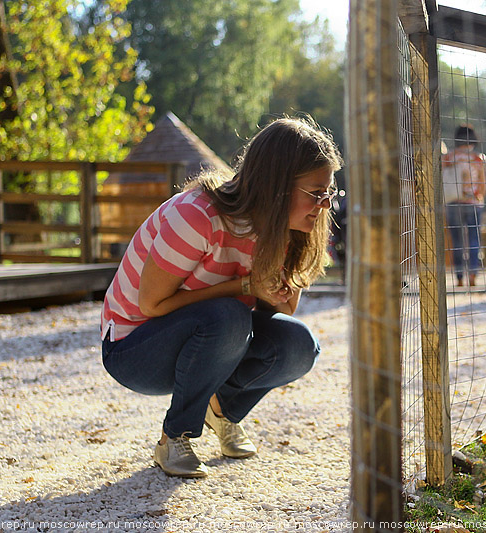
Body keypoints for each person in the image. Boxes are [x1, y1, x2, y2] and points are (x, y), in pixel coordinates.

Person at [99, 117, 343, 478]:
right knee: (229, 317)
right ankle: (175, 437)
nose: (325, 205)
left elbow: (285, 309)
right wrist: (245, 287)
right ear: (276, 185)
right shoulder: (196, 215)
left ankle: (222, 410)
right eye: (316, 192)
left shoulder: (288, 229)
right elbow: (151, 305)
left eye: (329, 193)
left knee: (298, 344)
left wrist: (272, 278)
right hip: (134, 348)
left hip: (205, 343)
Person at [442, 124, 486, 287]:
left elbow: (443, 178)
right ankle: (473, 274)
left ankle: (459, 276)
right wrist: (478, 195)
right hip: (474, 202)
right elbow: (483, 183)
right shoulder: (478, 158)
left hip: (454, 201)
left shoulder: (449, 157)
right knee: (474, 239)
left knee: (457, 241)